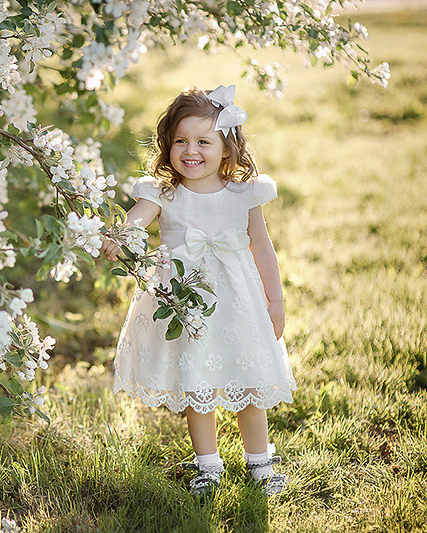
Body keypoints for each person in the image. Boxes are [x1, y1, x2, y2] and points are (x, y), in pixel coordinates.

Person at [101, 85, 297, 496]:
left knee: (247, 380)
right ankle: (208, 465)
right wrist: (118, 236)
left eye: (203, 141)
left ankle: (260, 462)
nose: (191, 150)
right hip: (185, 304)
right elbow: (136, 218)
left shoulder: (245, 193)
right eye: (180, 141)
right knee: (196, 381)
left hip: (238, 301)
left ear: (227, 148)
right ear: (167, 145)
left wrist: (274, 301)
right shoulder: (164, 193)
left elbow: (261, 246)